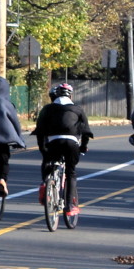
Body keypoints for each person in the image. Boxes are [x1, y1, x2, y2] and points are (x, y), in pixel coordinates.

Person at [33, 82, 93, 218]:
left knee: (48, 161)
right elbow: (86, 131)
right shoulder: (77, 109)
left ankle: (45, 185)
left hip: (54, 142)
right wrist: (83, 146)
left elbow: (40, 130)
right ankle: (70, 205)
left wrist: (43, 149)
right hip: (72, 144)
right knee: (71, 172)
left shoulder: (47, 109)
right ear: (70, 95)